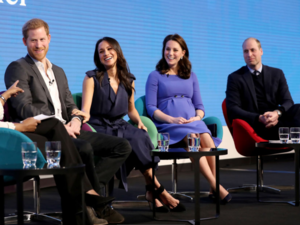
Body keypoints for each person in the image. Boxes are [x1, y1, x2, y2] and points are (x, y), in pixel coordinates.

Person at [4, 18, 132, 224]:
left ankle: (89, 198)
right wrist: (60, 124)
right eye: (33, 40)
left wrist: (74, 120)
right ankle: (85, 209)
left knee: (122, 146)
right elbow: (23, 106)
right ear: (24, 42)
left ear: (49, 39)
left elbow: (70, 105)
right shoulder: (18, 67)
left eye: (42, 39)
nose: (38, 45)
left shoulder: (59, 71)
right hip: (37, 132)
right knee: (84, 149)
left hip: (67, 129)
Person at [80, 37, 185, 212]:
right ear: (97, 56)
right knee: (133, 141)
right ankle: (158, 190)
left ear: (117, 51)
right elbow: (86, 110)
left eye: (109, 49)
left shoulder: (128, 79)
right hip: (99, 127)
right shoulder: (91, 78)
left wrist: (138, 122)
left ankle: (153, 191)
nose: (106, 53)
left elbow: (131, 110)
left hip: (120, 124)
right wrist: (79, 120)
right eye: (101, 51)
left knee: (141, 135)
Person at [0, 81, 110, 225]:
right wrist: (18, 126)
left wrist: (4, 97)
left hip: (8, 133)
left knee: (55, 129)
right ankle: (83, 202)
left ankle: (82, 205)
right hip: (6, 139)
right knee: (58, 135)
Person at [145, 34, 231, 203]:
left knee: (206, 137)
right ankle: (217, 186)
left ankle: (213, 189)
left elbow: (200, 107)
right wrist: (171, 119)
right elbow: (150, 108)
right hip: (168, 125)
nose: (170, 53)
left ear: (183, 53)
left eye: (175, 50)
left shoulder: (191, 76)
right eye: (167, 49)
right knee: (193, 138)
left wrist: (195, 119)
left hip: (191, 122)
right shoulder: (155, 76)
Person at [226, 37, 300, 140]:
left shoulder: (277, 74)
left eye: (253, 50)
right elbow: (232, 109)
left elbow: (288, 101)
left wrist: (276, 113)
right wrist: (259, 118)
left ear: (261, 51)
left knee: (298, 108)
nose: (249, 54)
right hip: (257, 126)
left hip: (278, 121)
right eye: (245, 51)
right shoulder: (235, 78)